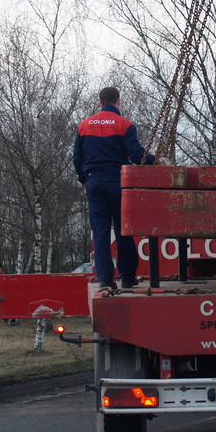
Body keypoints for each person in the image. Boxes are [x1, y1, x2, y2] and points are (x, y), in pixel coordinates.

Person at [73, 87, 154, 290]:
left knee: (100, 231)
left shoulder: (84, 125)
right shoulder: (125, 125)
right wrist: (154, 160)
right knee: (123, 231)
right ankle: (127, 277)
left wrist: (84, 178)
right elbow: (136, 155)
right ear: (118, 101)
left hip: (94, 182)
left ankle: (105, 279)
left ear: (100, 103)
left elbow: (77, 157)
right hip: (118, 182)